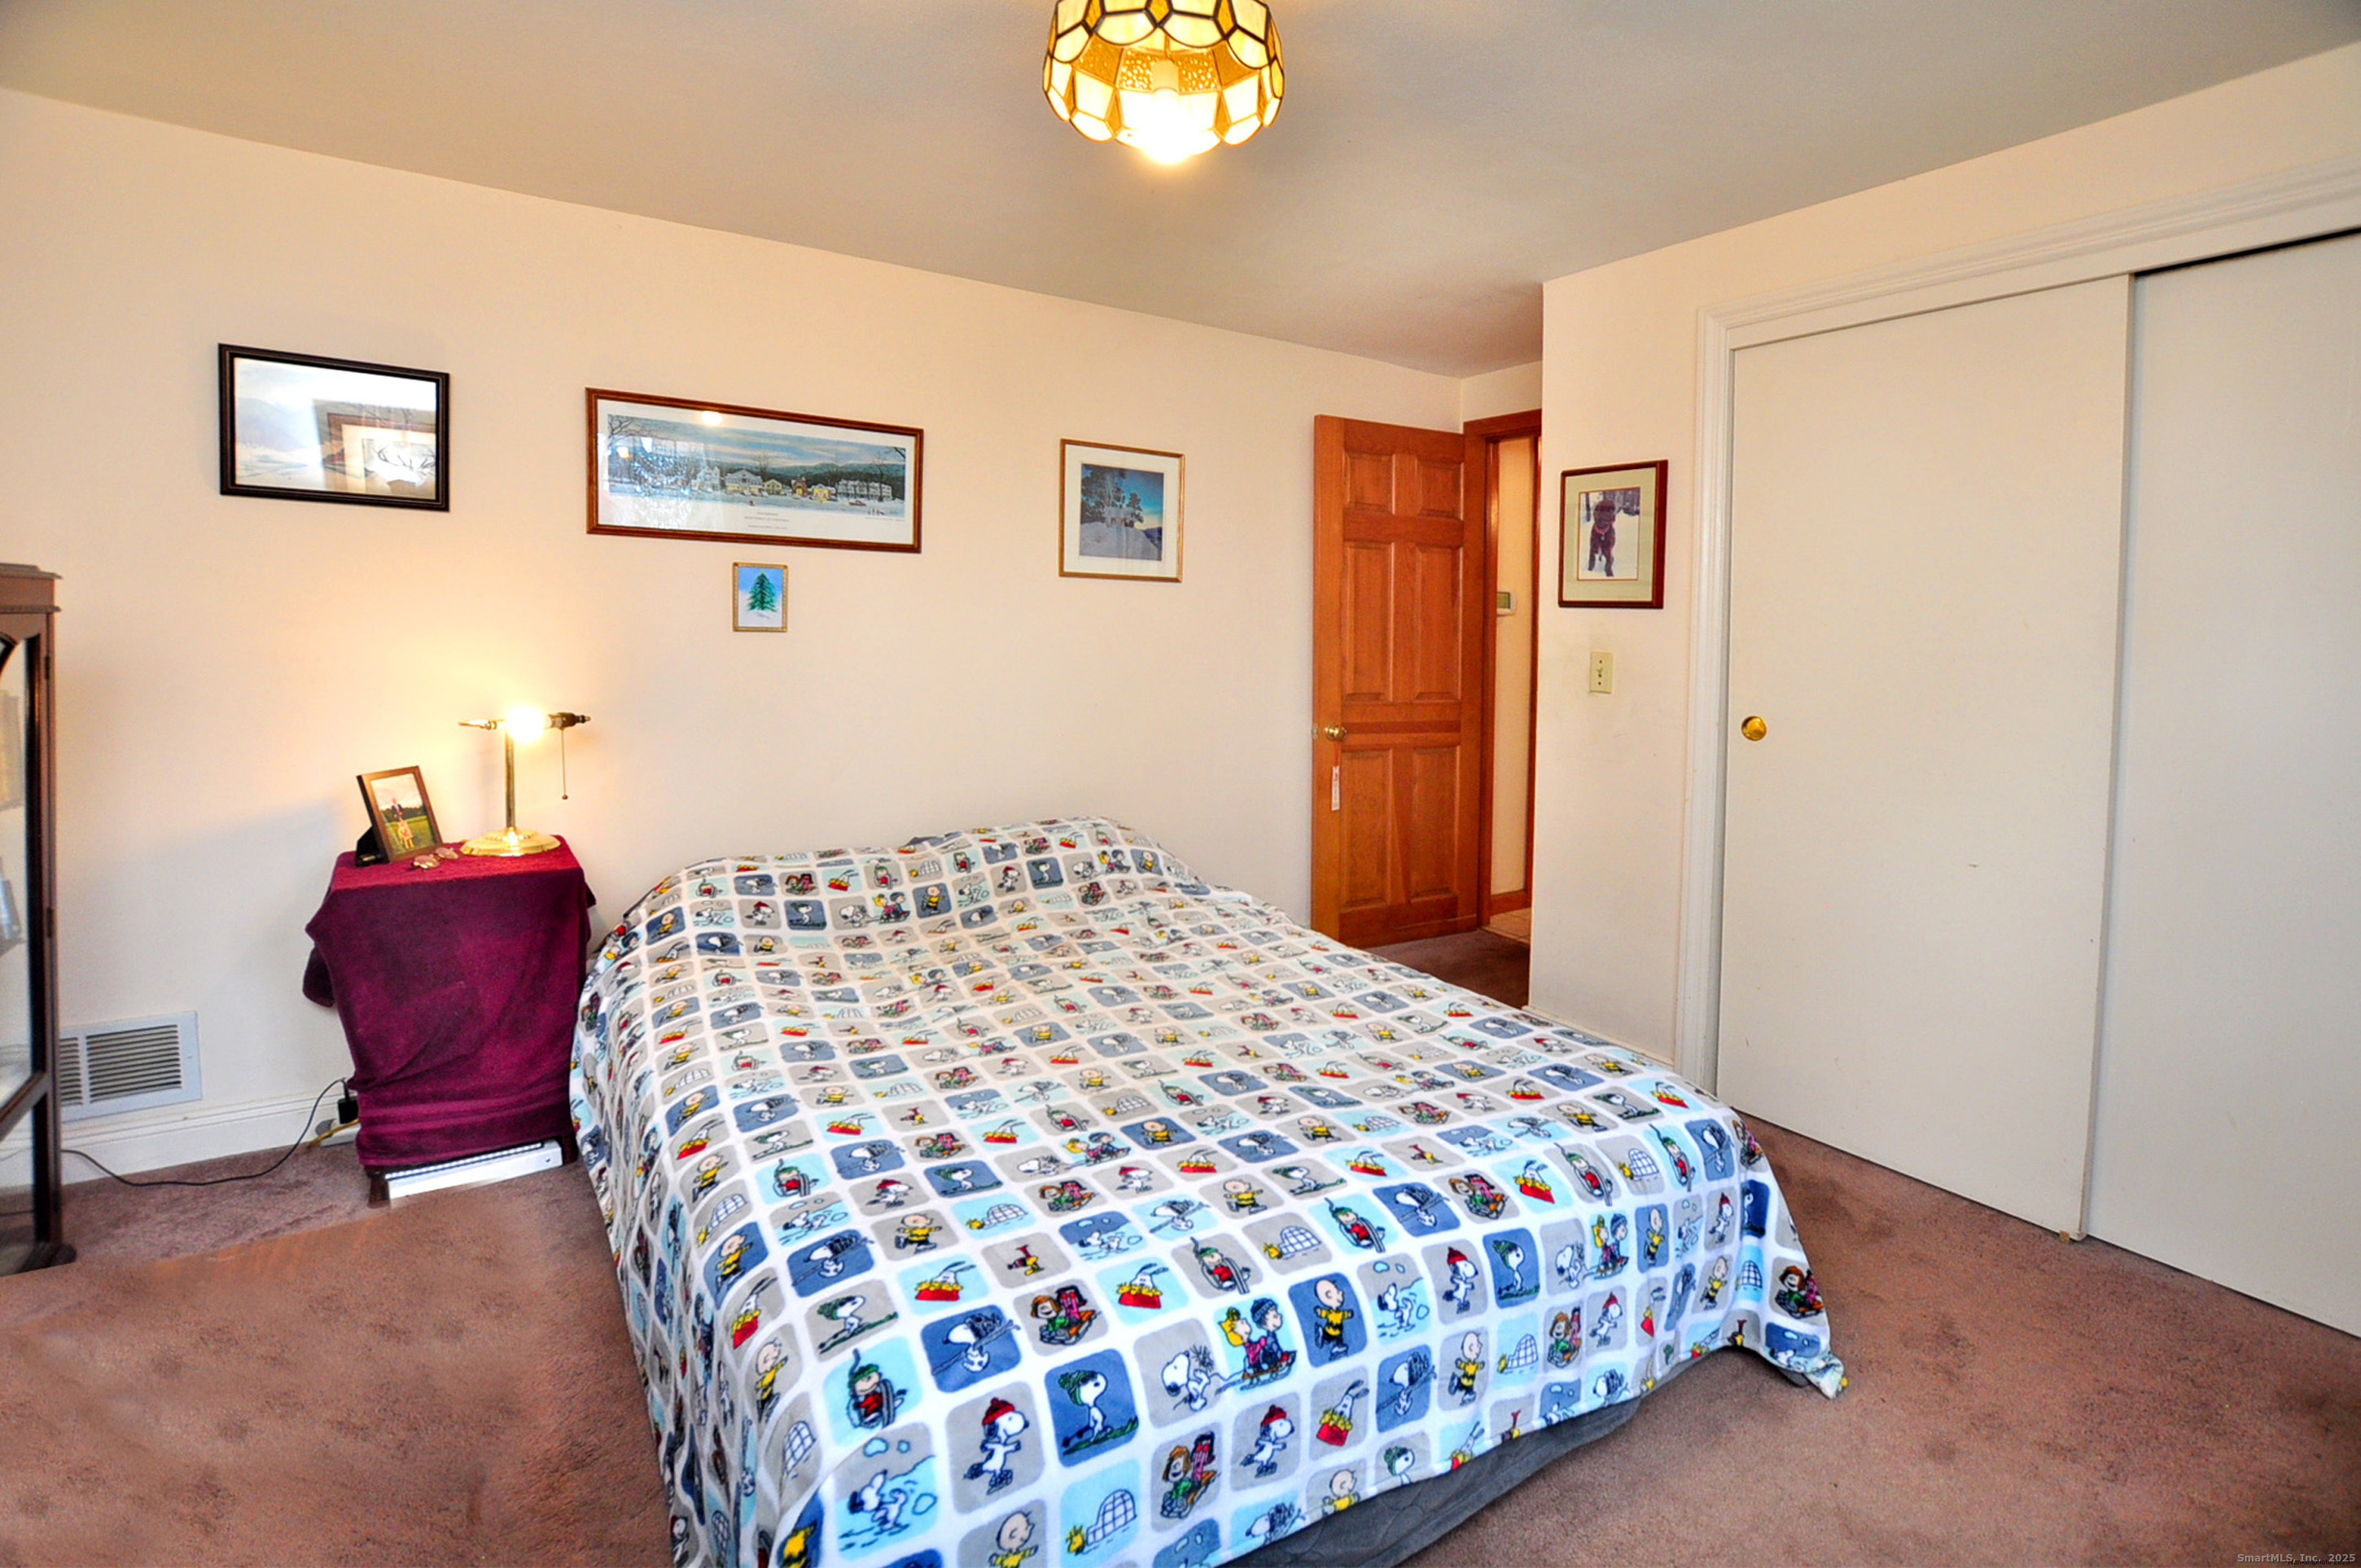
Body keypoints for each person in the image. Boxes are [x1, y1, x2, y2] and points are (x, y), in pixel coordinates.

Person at [1588, 491, 1619, 577]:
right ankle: (1590, 570)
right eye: (1609, 511)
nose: (1613, 514)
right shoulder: (1598, 513)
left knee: (1607, 552)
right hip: (1597, 532)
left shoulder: (1610, 529)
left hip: (1608, 533)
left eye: (1612, 511)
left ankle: (1608, 569)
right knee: (1593, 550)